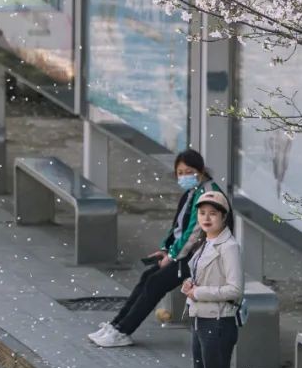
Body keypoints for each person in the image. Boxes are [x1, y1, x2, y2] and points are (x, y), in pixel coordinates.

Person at [88, 149, 221, 348]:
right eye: (180, 173)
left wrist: (173, 256)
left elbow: (194, 232)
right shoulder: (193, 191)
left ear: (201, 171)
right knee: (147, 279)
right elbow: (178, 227)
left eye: (189, 171)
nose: (185, 176)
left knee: (155, 283)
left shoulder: (208, 194)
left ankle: (123, 331)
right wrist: (166, 250)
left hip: (203, 257)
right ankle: (117, 325)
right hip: (190, 255)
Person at [179, 189, 244, 368]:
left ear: (224, 218)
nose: (206, 218)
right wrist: (189, 288)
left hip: (218, 322)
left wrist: (199, 292)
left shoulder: (228, 247)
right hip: (201, 318)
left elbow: (235, 290)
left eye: (212, 214)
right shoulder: (206, 242)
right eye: (202, 213)